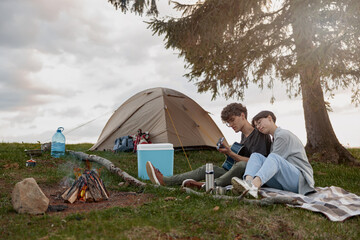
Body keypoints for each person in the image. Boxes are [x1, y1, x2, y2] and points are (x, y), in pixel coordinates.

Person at [146, 103, 272, 188]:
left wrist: (231, 153)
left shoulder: (260, 134)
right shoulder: (243, 136)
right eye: (228, 123)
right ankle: (166, 180)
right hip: (235, 172)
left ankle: (208, 186)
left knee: (241, 165)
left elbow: (257, 162)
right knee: (207, 168)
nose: (231, 124)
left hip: (251, 177)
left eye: (232, 120)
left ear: (242, 115)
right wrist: (227, 151)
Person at [232, 110, 315, 198]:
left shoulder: (283, 135)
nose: (258, 127)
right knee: (256, 155)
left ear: (269, 118)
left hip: (299, 180)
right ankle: (247, 184)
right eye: (256, 126)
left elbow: (274, 162)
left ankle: (254, 186)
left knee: (274, 157)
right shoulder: (274, 139)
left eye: (259, 123)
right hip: (285, 179)